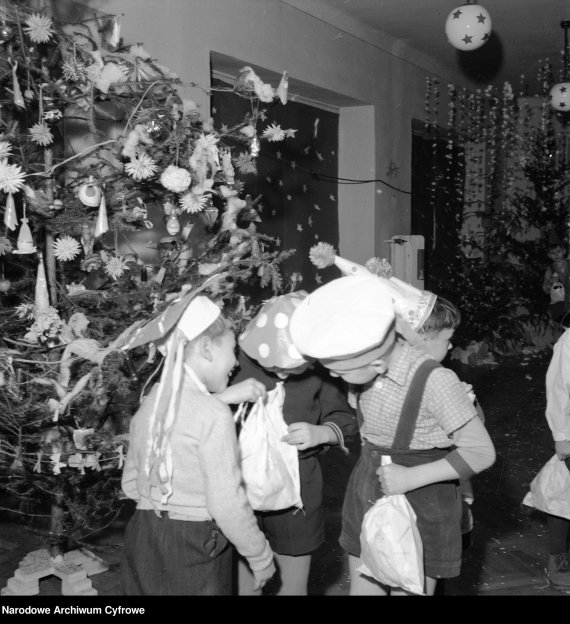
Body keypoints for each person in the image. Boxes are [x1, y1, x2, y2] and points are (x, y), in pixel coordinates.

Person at [289, 273, 496, 596]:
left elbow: (481, 452)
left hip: (422, 500)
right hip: (368, 490)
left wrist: (412, 478)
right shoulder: (367, 377)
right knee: (364, 586)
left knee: (409, 589)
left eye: (339, 371)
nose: (332, 376)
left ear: (376, 364)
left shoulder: (436, 381)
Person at [120, 293, 276, 595]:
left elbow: (130, 483)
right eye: (233, 349)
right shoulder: (213, 414)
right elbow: (226, 502)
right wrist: (260, 555)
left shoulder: (151, 404)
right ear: (206, 348)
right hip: (196, 542)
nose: (235, 361)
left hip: (143, 535)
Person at [232, 291, 358, 595]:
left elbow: (346, 419)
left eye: (294, 367)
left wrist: (322, 433)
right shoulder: (234, 365)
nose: (284, 373)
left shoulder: (319, 373)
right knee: (244, 572)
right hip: (239, 486)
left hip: (297, 488)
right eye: (275, 365)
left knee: (293, 577)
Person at [413, 295, 486, 545]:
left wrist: (468, 401)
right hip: (433, 485)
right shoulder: (437, 379)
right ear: (423, 339)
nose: (451, 344)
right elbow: (478, 447)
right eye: (447, 338)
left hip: (444, 485)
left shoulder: (444, 376)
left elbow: (477, 424)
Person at [543, 322, 570, 592]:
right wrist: (561, 435)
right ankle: (558, 557)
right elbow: (558, 387)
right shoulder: (569, 341)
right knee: (563, 496)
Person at [542, 229, 570, 330]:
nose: (556, 254)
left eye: (558, 251)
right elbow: (545, 289)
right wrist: (550, 283)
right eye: (552, 253)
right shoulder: (550, 270)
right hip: (561, 307)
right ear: (549, 255)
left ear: (564, 251)